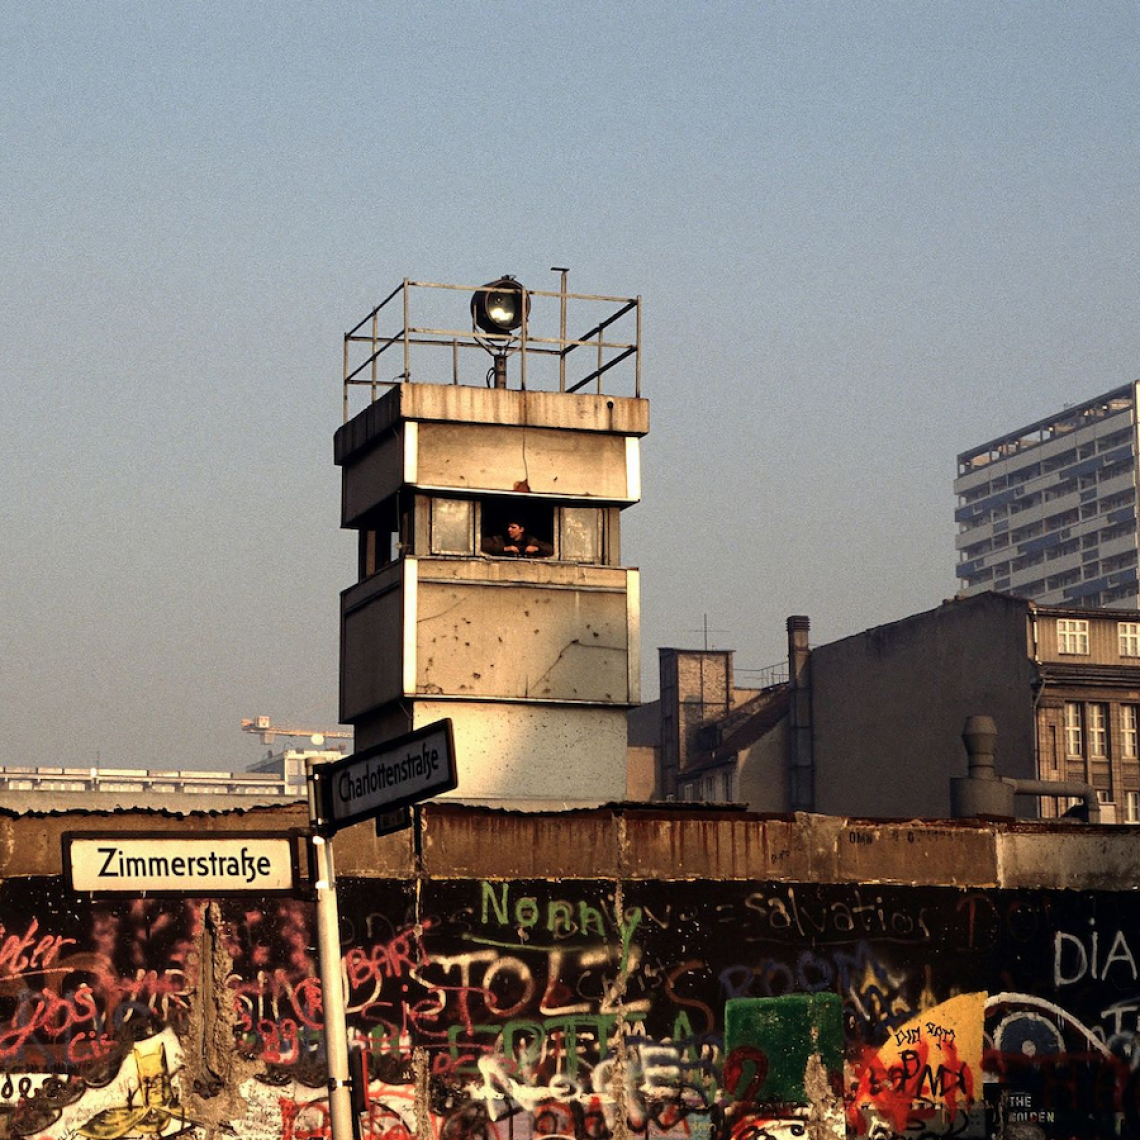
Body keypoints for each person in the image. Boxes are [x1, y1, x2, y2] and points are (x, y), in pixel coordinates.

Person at [482, 519, 553, 558]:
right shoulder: (500, 539)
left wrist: (537, 549)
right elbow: (482, 545)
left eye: (513, 527)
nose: (509, 530)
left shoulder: (530, 540)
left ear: (521, 529)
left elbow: (550, 549)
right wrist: (504, 549)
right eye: (508, 527)